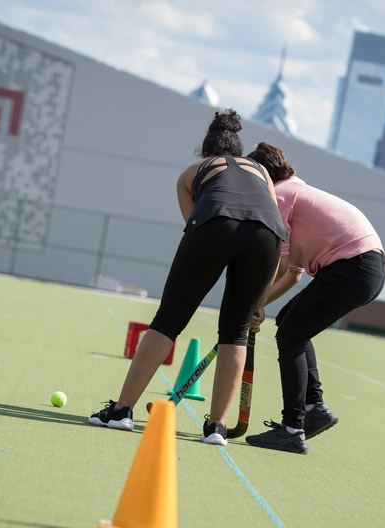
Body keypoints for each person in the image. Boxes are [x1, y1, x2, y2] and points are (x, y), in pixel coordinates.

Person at [89, 111, 287, 446]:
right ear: (239, 152)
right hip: (267, 238)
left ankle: (122, 411)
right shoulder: (262, 173)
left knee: (168, 320)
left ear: (206, 154)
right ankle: (216, 428)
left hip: (215, 226)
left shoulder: (192, 172)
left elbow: (197, 220)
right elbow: (270, 222)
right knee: (236, 331)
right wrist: (259, 303)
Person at [243, 142, 385, 455]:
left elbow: (278, 266)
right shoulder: (299, 195)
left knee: (292, 335)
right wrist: (262, 307)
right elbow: (293, 274)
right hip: (367, 269)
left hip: (352, 266)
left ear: (263, 176)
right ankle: (314, 409)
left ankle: (293, 430)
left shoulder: (279, 196)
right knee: (291, 324)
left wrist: (253, 304)